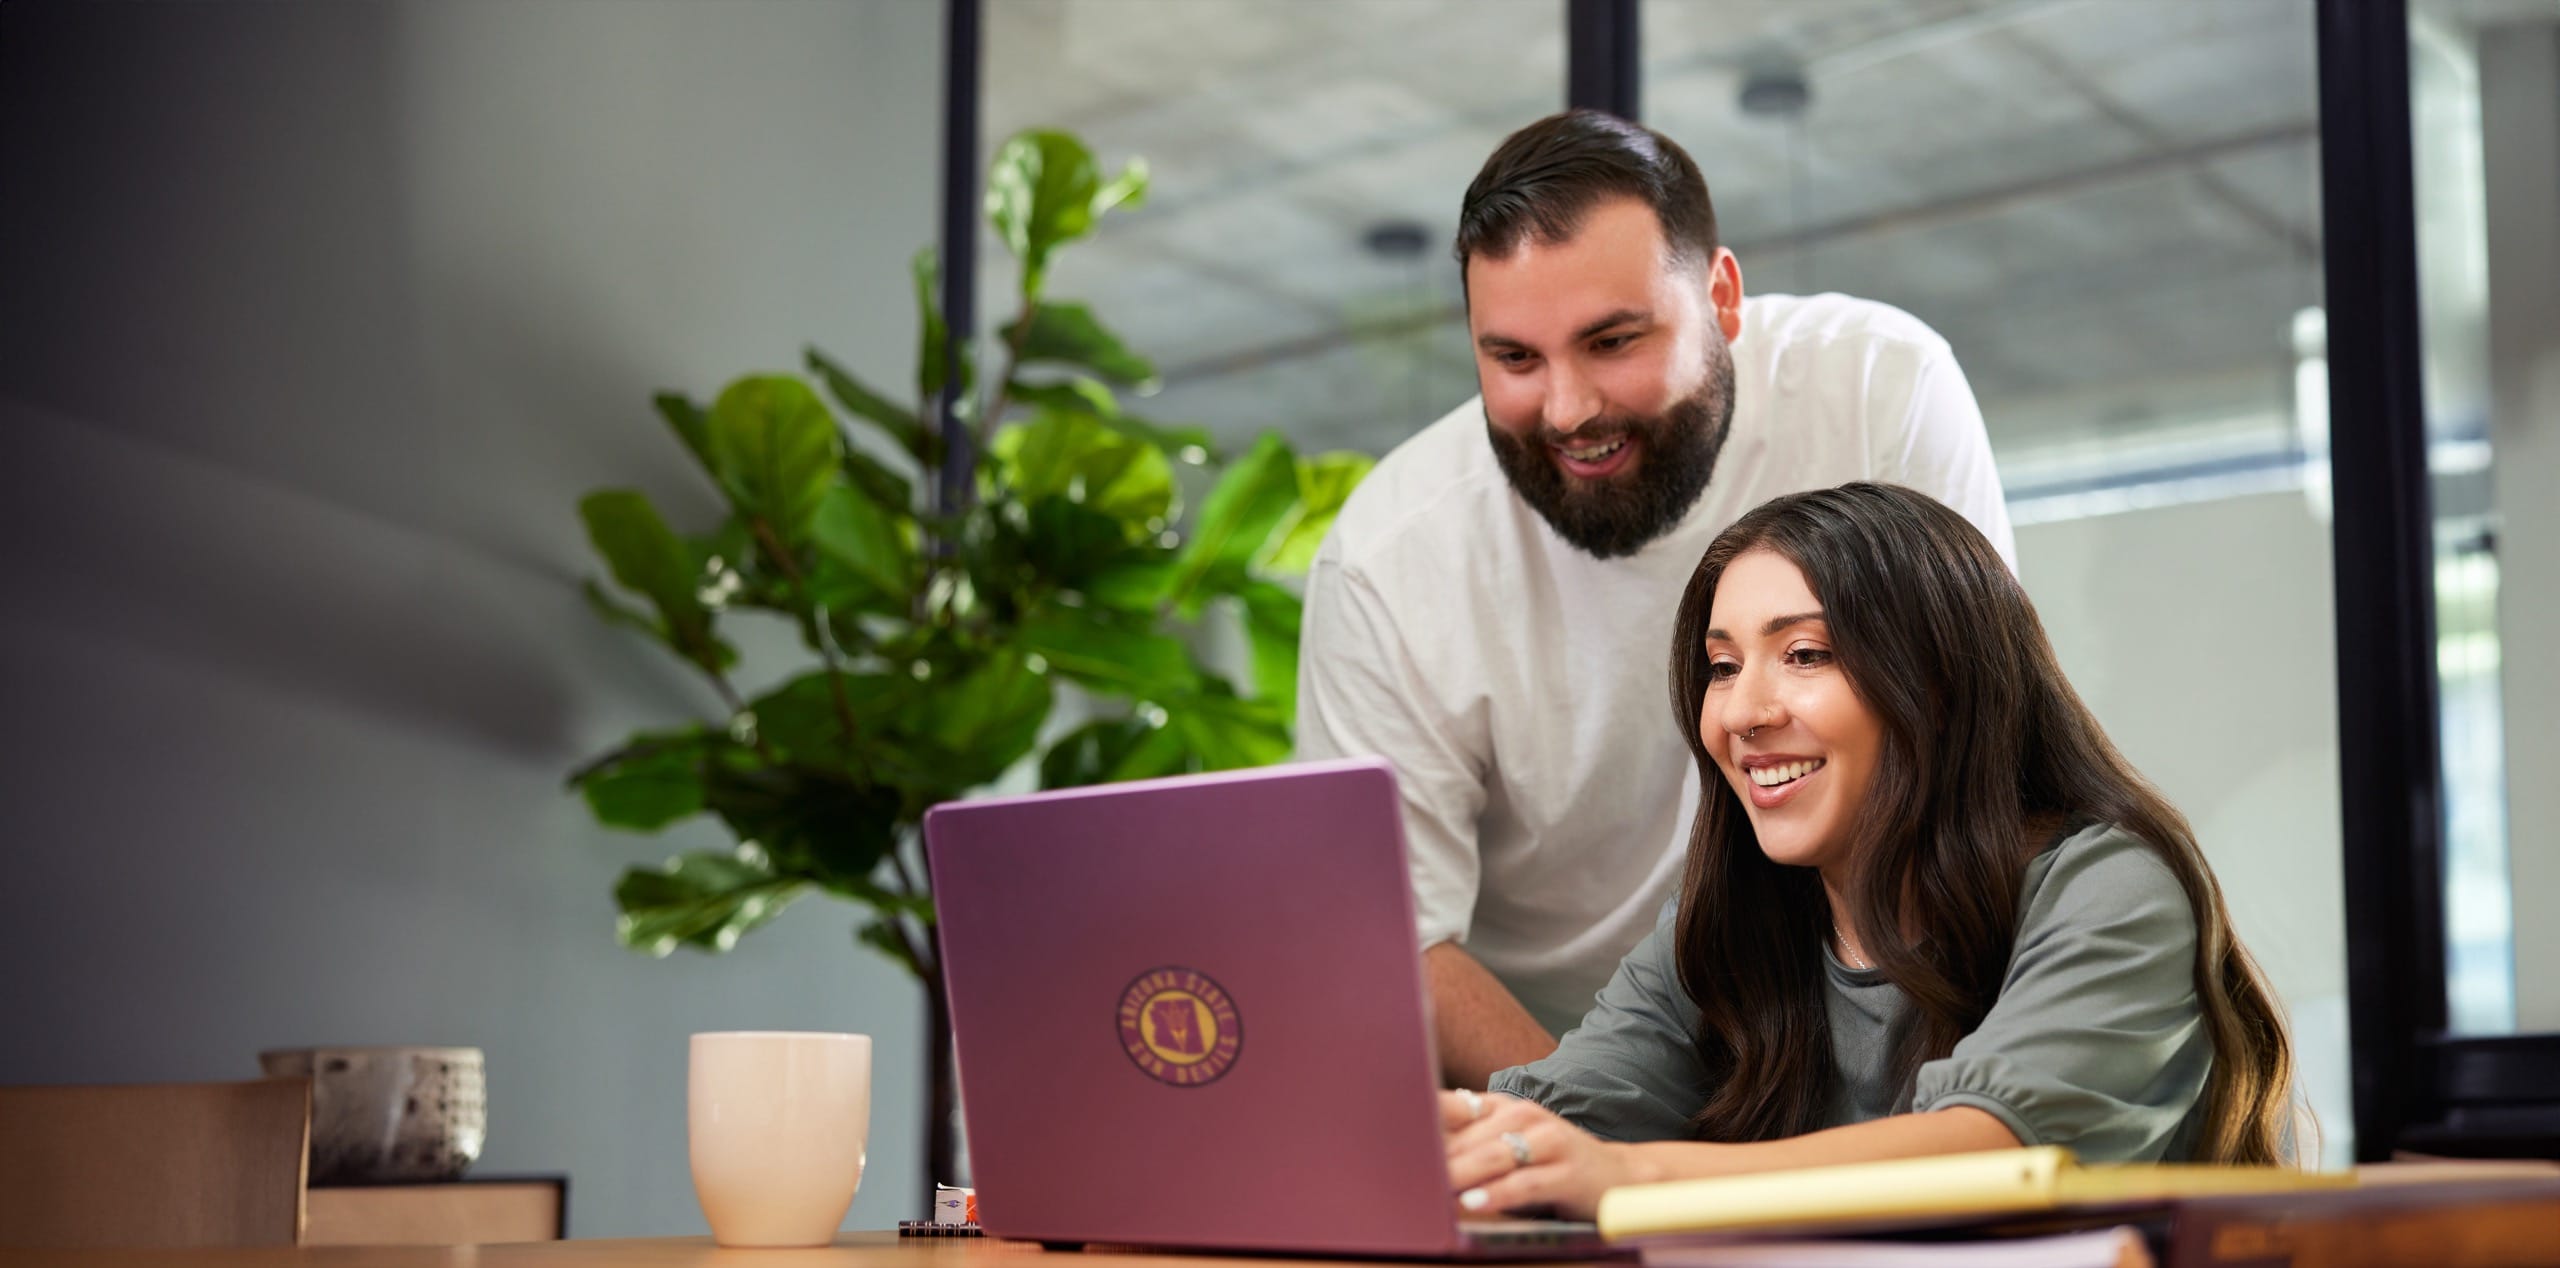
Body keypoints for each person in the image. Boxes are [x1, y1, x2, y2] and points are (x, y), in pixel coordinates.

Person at [1296, 109, 2015, 1088]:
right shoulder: (1389, 558)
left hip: (1863, 1030)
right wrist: (1609, 1138)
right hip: (1545, 1066)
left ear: (1722, 296)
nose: (1567, 408)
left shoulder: (1879, 392)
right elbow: (1396, 941)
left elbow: (1966, 756)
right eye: (1513, 358)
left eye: (1612, 340)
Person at [1435, 483, 2297, 1218]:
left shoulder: (2108, 888)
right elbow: (1539, 1120)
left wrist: (1626, 1176)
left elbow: (1988, 1159)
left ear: (1939, 684)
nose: (1741, 713)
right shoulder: (1726, 928)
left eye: (1804, 655)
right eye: (1724, 666)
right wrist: (1450, 1140)